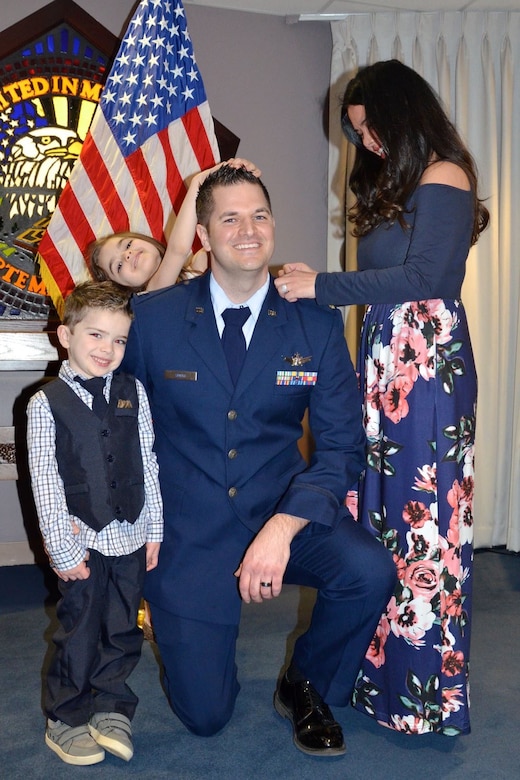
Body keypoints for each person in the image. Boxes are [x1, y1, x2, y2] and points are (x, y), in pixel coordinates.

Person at [120, 163, 396, 757]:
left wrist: (284, 524)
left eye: (260, 215)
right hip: (187, 531)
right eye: (230, 217)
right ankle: (180, 625)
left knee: (368, 569)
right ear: (203, 233)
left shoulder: (315, 325)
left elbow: (343, 444)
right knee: (205, 717)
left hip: (280, 509)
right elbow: (116, 430)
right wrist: (129, 522)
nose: (249, 230)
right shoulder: (154, 320)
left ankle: (306, 683)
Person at [275, 60, 489, 736]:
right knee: (379, 524)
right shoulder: (399, 185)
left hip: (425, 372)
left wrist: (321, 286)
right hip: (383, 365)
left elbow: (429, 276)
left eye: (370, 130)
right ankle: (372, 675)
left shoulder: (445, 174)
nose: (365, 145)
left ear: (402, 116)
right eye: (357, 134)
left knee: (423, 529)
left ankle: (422, 694)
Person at [26, 281, 164, 765]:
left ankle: (111, 704)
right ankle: (65, 715)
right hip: (80, 540)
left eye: (120, 340)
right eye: (96, 336)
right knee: (80, 627)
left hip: (130, 533)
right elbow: (44, 481)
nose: (108, 349)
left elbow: (148, 461)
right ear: (66, 335)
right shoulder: (46, 403)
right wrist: (59, 547)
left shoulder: (134, 392)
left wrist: (155, 528)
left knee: (123, 625)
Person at [87, 158, 261, 292]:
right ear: (122, 288)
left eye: (128, 244)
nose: (127, 255)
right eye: (118, 266)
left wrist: (238, 174)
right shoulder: (150, 297)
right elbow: (178, 250)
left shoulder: (199, 264)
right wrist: (199, 182)